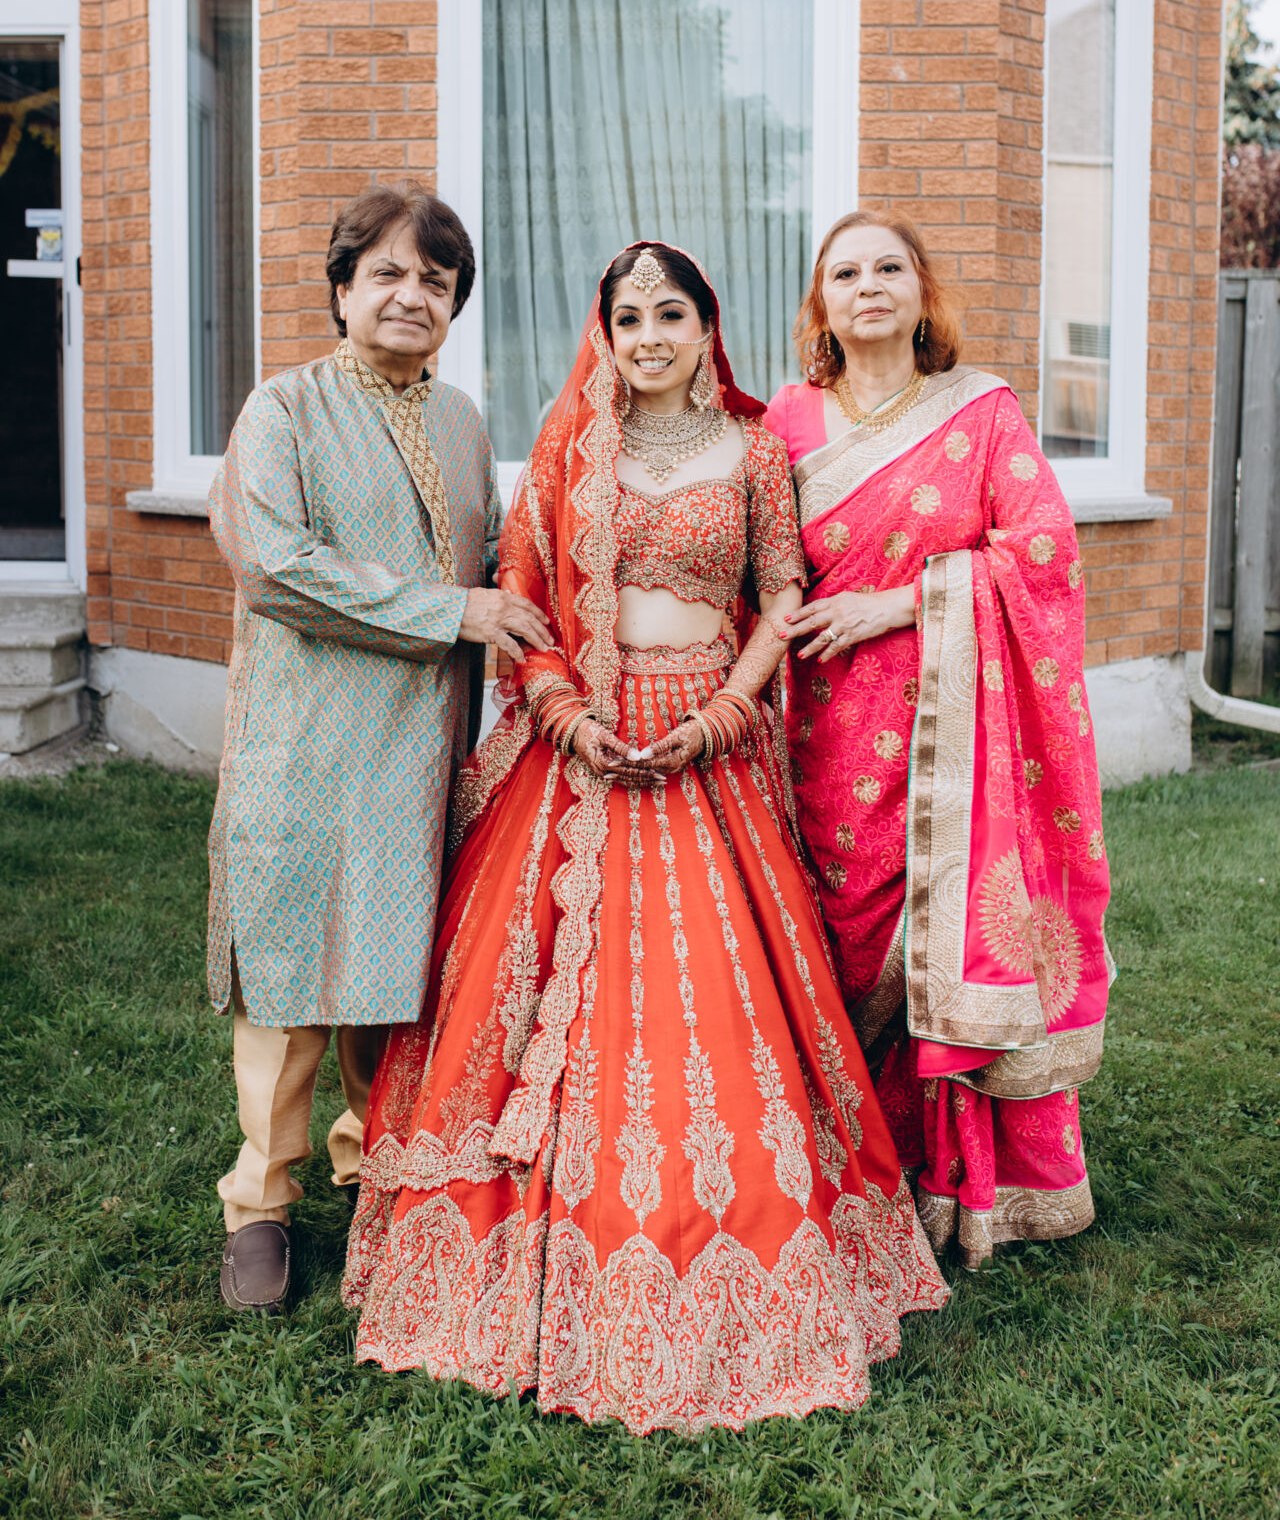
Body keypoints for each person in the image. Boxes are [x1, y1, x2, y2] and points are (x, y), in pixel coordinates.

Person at [342, 242, 948, 1434]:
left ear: (705, 326)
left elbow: (780, 593)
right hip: (577, 746)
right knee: (513, 1003)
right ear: (605, 333)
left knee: (721, 1006)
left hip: (708, 747)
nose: (650, 336)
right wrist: (564, 713)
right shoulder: (571, 442)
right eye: (628, 318)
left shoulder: (754, 446)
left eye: (671, 314)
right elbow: (521, 598)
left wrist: (724, 713)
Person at [206, 181, 553, 1315]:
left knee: (397, 972)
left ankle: (375, 1165)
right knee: (289, 973)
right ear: (343, 290)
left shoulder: (461, 420)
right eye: (389, 274)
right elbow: (274, 565)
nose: (412, 296)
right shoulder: (283, 408)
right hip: (303, 739)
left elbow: (496, 561)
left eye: (436, 281)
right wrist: (453, 612)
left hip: (422, 747)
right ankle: (260, 1201)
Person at [763, 209, 1114, 1270]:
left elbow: (1043, 550)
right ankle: (851, 1166)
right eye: (845, 273)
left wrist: (898, 602)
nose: (868, 285)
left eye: (889, 267)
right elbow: (751, 562)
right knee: (837, 935)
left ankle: (955, 1177)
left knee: (944, 931)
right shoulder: (784, 419)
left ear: (921, 291)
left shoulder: (981, 410)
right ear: (821, 304)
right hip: (819, 728)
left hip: (953, 729)